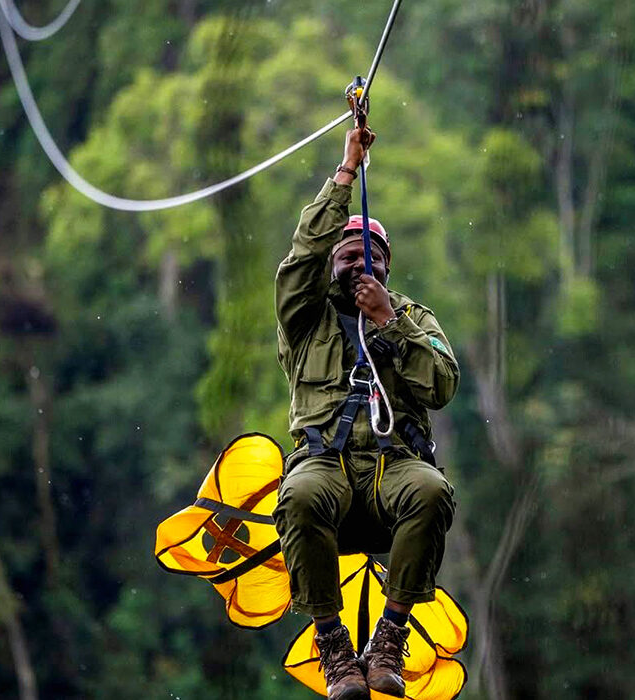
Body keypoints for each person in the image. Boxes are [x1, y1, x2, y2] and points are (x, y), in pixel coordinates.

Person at [273, 125, 459, 700]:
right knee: (299, 496)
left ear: (387, 268)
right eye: (349, 256)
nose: (359, 266)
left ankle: (390, 637)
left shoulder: (412, 317)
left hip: (391, 470)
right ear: (332, 264)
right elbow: (302, 256)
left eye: (371, 258)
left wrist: (387, 322)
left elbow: (442, 384)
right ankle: (333, 647)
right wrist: (346, 173)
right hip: (324, 464)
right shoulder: (305, 318)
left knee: (431, 491)